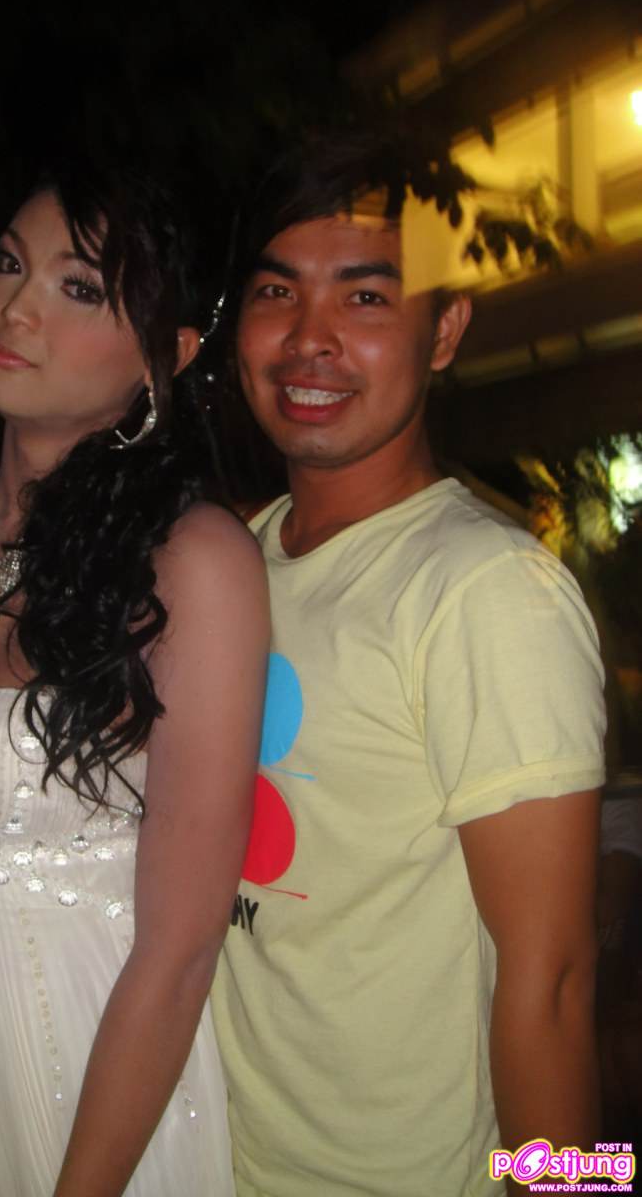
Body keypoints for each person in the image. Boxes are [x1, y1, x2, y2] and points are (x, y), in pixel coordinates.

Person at [0, 161, 269, 1197]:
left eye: (76, 287)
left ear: (165, 357)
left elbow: (181, 949)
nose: (15, 306)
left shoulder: (194, 564)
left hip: (99, 1097)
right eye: (7, 264)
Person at [211, 134, 606, 1197]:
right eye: (276, 293)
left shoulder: (486, 591)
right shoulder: (231, 561)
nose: (310, 339)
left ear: (446, 331)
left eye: (366, 298)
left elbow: (554, 981)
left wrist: (574, 1189)